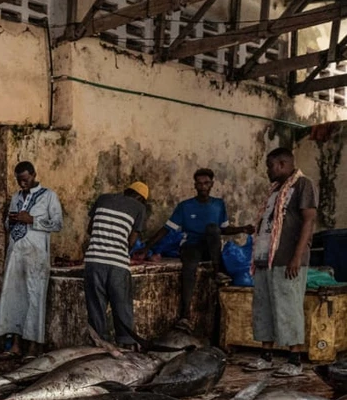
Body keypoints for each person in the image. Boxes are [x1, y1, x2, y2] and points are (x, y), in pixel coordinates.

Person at [138, 168, 254, 330]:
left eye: (206, 183)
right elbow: (167, 229)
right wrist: (147, 247)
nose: (203, 187)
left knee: (213, 229)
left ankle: (217, 272)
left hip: (211, 248)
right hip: (191, 246)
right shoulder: (185, 206)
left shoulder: (218, 205)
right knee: (189, 267)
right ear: (195, 185)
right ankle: (185, 316)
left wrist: (242, 228)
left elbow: (224, 229)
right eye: (199, 184)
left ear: (212, 184)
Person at [244, 147, 318, 378]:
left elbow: (308, 221)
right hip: (266, 258)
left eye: (270, 166)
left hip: (288, 259)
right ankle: (266, 355)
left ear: (282, 164)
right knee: (263, 307)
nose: (268, 170)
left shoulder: (302, 185)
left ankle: (294, 360)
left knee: (288, 307)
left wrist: (297, 256)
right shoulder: (275, 190)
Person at [0, 161, 63, 358]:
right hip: (15, 253)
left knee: (34, 298)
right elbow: (8, 223)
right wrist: (12, 219)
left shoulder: (49, 196)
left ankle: (33, 347)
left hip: (36, 256)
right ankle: (14, 344)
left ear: (34, 175)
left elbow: (58, 224)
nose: (22, 184)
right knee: (13, 297)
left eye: (25, 180)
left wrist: (32, 220)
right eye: (19, 180)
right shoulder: (16, 197)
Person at [83, 181, 148, 348]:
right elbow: (131, 241)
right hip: (117, 262)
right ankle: (126, 345)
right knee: (122, 306)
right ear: (140, 198)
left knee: (96, 307)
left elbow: (90, 229)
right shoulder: (139, 208)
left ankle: (99, 346)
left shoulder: (103, 198)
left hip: (94, 260)